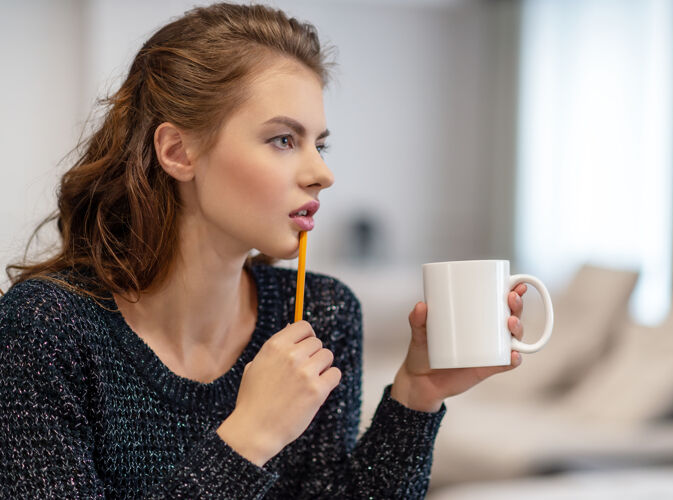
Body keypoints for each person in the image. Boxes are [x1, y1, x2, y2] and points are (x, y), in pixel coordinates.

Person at [0, 3, 527, 498]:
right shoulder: (47, 327)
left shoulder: (323, 310)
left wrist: (417, 393)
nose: (322, 173)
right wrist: (248, 438)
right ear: (178, 151)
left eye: (319, 143)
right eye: (283, 140)